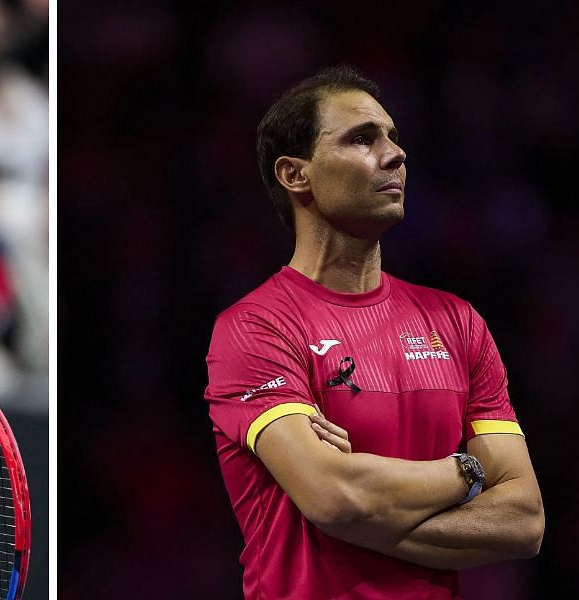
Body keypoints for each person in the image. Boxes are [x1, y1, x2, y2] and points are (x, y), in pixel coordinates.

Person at [204, 66, 544, 599]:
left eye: (393, 137)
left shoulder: (458, 323)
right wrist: (471, 474)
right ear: (296, 175)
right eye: (362, 139)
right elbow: (334, 497)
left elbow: (524, 521)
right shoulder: (255, 328)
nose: (395, 154)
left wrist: (360, 512)